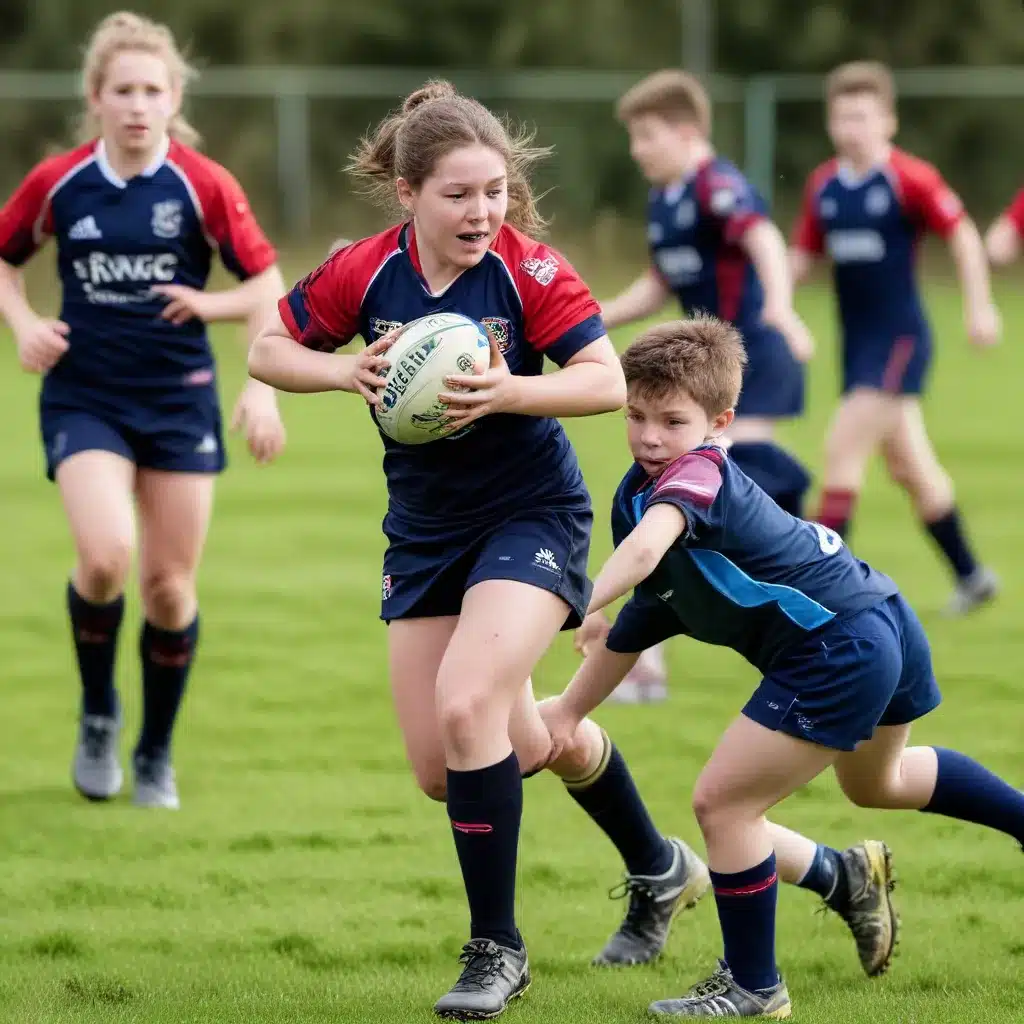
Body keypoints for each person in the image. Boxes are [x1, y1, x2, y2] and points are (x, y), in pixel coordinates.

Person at [248, 80, 714, 1020]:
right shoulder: (363, 272)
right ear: (408, 194)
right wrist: (342, 370)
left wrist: (506, 392)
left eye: (495, 191)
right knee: (462, 758)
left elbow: (600, 378)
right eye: (459, 194)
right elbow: (266, 349)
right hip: (424, 533)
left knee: (470, 710)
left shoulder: (528, 272)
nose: (482, 211)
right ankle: (659, 866)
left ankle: (496, 950)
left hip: (531, 514)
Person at [541, 315, 1024, 1017]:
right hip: (877, 612)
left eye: (672, 420)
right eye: (635, 415)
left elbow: (646, 557)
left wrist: (567, 600)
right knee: (879, 782)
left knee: (723, 805)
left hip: (841, 646)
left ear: (720, 421)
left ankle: (753, 986)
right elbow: (652, 608)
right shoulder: (640, 490)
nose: (649, 435)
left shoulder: (698, 475)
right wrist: (570, 709)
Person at [0, 11, 287, 810]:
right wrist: (24, 325)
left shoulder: (203, 184)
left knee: (168, 587)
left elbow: (269, 290)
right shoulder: (59, 183)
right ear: (96, 98)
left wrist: (253, 379)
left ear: (173, 99)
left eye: (151, 90)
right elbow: (4, 259)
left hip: (178, 401)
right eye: (121, 90)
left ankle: (155, 751)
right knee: (105, 558)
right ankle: (99, 714)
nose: (136, 104)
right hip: (86, 396)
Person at [599, 69, 814, 703]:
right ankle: (648, 665)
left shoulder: (716, 185)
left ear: (687, 132)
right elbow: (655, 286)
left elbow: (765, 238)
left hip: (744, 359)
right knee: (674, 504)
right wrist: (587, 322)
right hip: (688, 377)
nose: (638, 149)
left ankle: (798, 528)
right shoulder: (664, 201)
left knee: (687, 498)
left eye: (647, 135)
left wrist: (779, 303)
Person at [791, 60, 1000, 616]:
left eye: (861, 116)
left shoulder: (910, 177)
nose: (850, 127)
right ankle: (972, 576)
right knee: (911, 468)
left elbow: (962, 235)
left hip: (901, 339)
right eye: (841, 117)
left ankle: (824, 593)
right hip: (856, 345)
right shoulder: (825, 185)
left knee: (841, 451)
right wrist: (773, 308)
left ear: (888, 121)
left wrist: (979, 305)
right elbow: (800, 258)